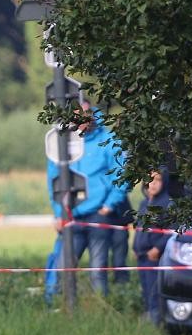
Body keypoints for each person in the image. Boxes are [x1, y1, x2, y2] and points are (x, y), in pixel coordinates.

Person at [47, 100, 130, 296]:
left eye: (83, 114)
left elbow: (123, 175)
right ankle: (60, 309)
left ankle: (101, 312)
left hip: (98, 215)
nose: (79, 120)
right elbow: (54, 180)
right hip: (71, 215)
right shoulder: (62, 142)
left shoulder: (108, 140)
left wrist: (109, 206)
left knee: (97, 270)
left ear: (91, 114)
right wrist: (59, 213)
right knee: (63, 267)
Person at [133, 168, 173, 324]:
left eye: (157, 180)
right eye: (150, 180)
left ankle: (157, 321)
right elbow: (139, 228)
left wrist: (157, 248)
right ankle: (148, 317)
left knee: (154, 291)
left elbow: (171, 231)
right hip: (142, 256)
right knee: (145, 289)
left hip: (155, 257)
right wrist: (135, 248)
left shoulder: (167, 203)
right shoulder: (144, 203)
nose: (153, 184)